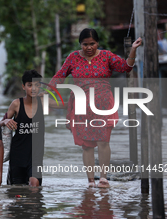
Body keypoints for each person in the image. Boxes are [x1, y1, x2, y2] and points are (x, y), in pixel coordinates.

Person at [49, 28, 142, 188]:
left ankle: (103, 178)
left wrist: (133, 49)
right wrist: (45, 91)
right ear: (80, 44)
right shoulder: (73, 57)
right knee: (87, 145)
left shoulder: (106, 56)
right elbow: (60, 76)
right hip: (81, 106)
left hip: (103, 104)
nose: (89, 47)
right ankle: (91, 181)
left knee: (103, 141)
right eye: (85, 44)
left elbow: (126, 67)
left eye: (92, 44)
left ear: (97, 43)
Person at [1, 70, 66, 187]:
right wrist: (5, 120)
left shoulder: (43, 101)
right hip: (18, 153)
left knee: (34, 184)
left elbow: (66, 105)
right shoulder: (16, 104)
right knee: (17, 190)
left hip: (36, 154)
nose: (34, 88)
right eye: (30, 85)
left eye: (37, 85)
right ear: (23, 87)